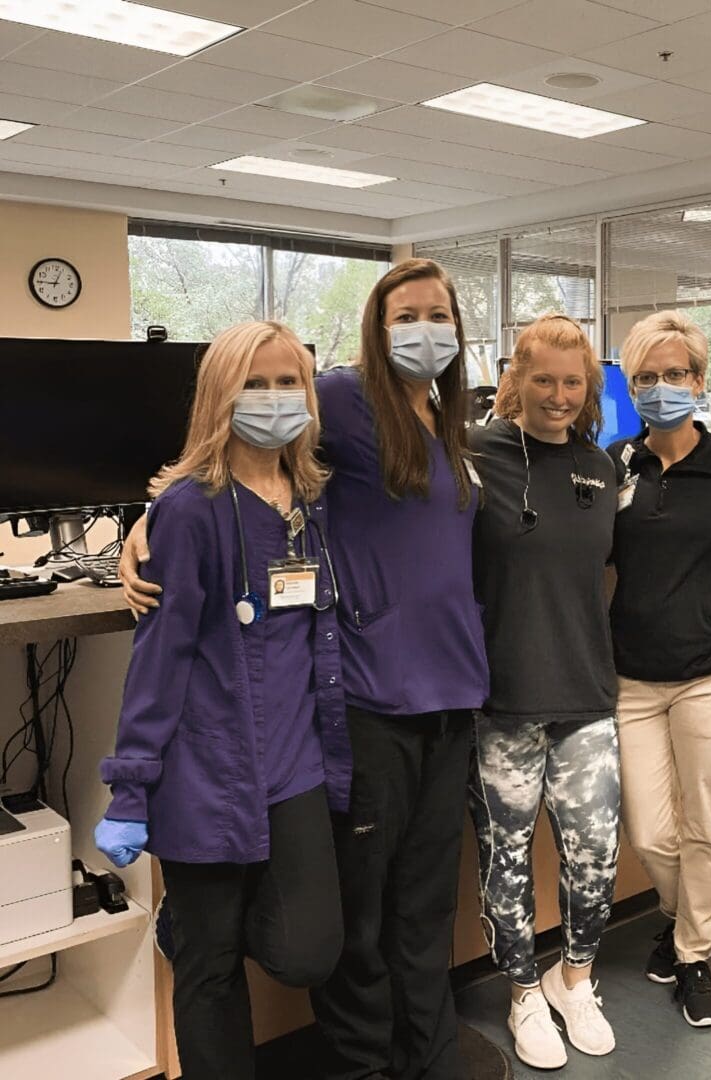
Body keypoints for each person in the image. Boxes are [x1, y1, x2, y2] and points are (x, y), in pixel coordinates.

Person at [120, 259, 490, 1080]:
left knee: (424, 911)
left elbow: (290, 481)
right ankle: (362, 1066)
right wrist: (147, 519)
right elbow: (232, 452)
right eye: (406, 316)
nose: (424, 331)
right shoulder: (348, 400)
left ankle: (430, 1063)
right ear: (376, 326)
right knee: (353, 928)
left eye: (439, 315)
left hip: (451, 698)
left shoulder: (452, 423)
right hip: (368, 703)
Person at [95, 320, 348, 1080]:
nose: (274, 399)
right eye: (255, 384)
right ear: (219, 397)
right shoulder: (191, 509)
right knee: (208, 970)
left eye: (288, 383)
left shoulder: (315, 497)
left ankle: (192, 920)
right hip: (205, 766)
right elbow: (160, 657)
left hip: (296, 763)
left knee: (310, 950)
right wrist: (131, 785)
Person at [466, 314, 620, 1071]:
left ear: (587, 386)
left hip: (586, 692)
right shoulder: (470, 454)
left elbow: (609, 573)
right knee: (508, 859)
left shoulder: (603, 466)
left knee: (595, 855)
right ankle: (523, 992)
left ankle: (574, 978)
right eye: (544, 380)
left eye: (572, 382)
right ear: (515, 380)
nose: (558, 395)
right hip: (502, 700)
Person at [606, 310, 711, 1029]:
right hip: (632, 674)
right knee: (650, 830)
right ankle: (677, 912)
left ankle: (694, 954)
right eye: (645, 377)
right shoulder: (614, 464)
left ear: (700, 380)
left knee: (705, 826)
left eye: (674, 374)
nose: (660, 387)